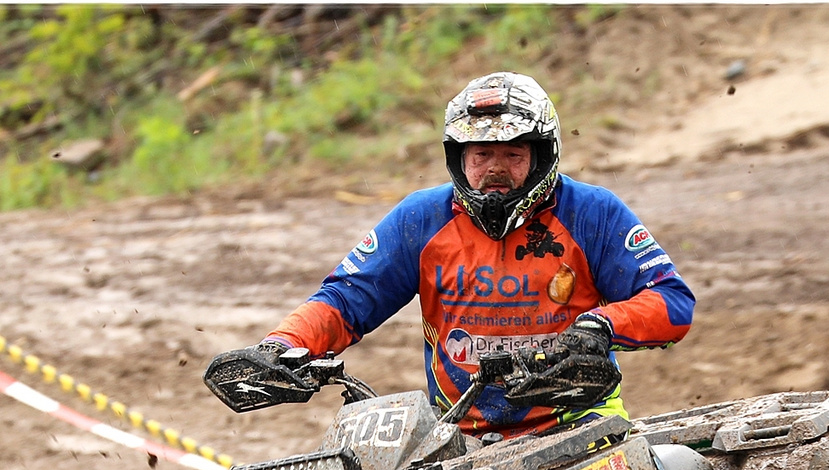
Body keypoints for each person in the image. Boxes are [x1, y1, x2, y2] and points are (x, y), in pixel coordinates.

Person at [210, 71, 694, 438]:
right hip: (458, 438)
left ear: (543, 155)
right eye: (480, 154)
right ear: (458, 157)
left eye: (512, 154)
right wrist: (280, 346)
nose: (494, 170)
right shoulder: (423, 218)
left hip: (581, 424)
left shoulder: (592, 213)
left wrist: (601, 327)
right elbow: (347, 298)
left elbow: (673, 303)